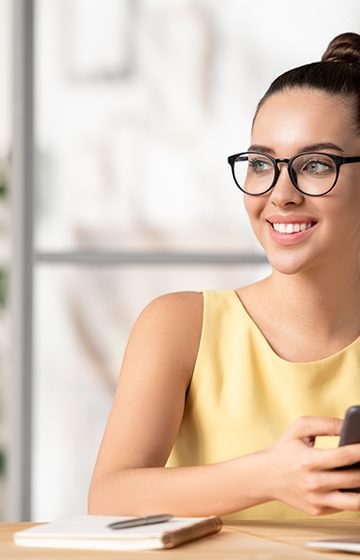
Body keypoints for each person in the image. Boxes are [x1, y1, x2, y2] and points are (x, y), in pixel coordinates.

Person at [88, 32, 360, 520]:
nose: (281, 194)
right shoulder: (180, 325)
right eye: (261, 164)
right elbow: (108, 498)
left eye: (315, 165)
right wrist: (268, 477)